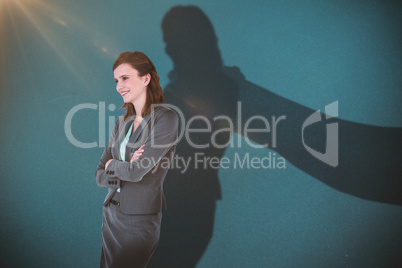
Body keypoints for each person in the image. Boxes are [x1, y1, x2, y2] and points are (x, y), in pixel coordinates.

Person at [95, 51, 179, 268]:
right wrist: (119, 166)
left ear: (145, 78)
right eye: (116, 80)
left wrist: (113, 166)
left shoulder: (166, 118)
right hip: (111, 215)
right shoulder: (122, 123)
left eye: (124, 78)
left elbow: (137, 172)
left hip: (139, 220)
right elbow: (99, 175)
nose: (118, 86)